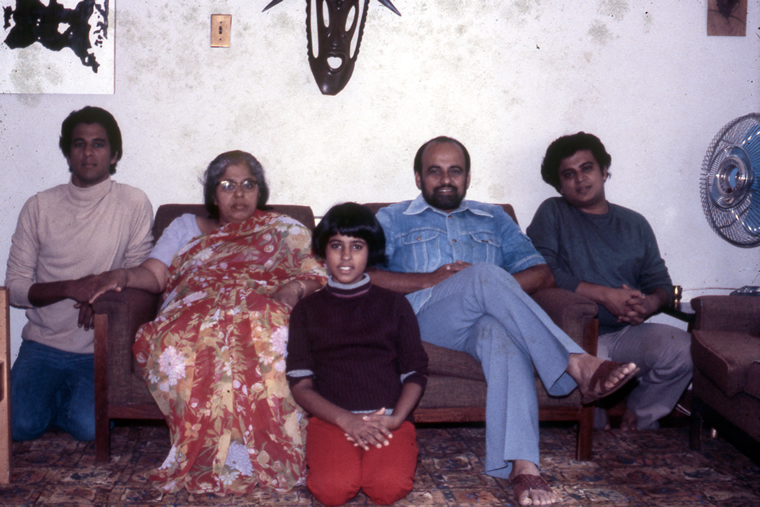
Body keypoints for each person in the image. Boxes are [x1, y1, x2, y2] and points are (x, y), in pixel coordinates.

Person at [369, 136, 639, 506]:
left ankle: (522, 467)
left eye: (455, 171)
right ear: (418, 178)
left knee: (499, 334)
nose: (445, 179)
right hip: (426, 320)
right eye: (435, 171)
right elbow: (365, 274)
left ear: (467, 178)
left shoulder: (494, 217)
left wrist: (493, 287)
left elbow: (541, 273)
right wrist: (429, 279)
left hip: (483, 322)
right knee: (483, 274)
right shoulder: (392, 218)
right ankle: (576, 362)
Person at [89, 150, 327, 495]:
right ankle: (221, 451)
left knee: (268, 328)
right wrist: (124, 275)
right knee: (195, 336)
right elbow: (155, 275)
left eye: (248, 185)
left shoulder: (284, 229)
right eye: (227, 185)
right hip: (194, 308)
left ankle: (257, 450)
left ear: (260, 191)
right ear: (213, 194)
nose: (239, 194)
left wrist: (294, 288)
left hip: (262, 305)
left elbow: (318, 272)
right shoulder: (184, 226)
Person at [5, 106, 153, 442]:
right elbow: (14, 287)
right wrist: (73, 287)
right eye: (79, 144)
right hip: (42, 345)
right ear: (67, 152)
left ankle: (66, 401)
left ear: (114, 155)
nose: (88, 153)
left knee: (90, 428)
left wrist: (100, 296)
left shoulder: (132, 202)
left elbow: (140, 275)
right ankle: (52, 399)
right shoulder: (39, 206)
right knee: (17, 425)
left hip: (98, 349)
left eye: (98, 144)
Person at [526, 132, 692, 432]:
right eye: (568, 174)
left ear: (604, 171)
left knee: (683, 349)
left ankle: (639, 418)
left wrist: (648, 303)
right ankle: (594, 429)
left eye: (587, 168)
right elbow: (542, 272)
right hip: (575, 337)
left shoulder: (635, 223)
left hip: (627, 332)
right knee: (593, 411)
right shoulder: (553, 213)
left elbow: (661, 283)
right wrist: (604, 296)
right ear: (559, 185)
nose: (580, 179)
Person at [287, 202, 428, 506]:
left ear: (371, 251)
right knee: (332, 490)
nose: (346, 256)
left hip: (387, 419)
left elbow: (415, 372)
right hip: (332, 420)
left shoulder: (395, 305)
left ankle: (393, 453)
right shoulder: (306, 310)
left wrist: (397, 419)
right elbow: (300, 384)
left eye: (357, 246)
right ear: (323, 251)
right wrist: (346, 420)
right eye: (337, 245)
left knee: (388, 488)